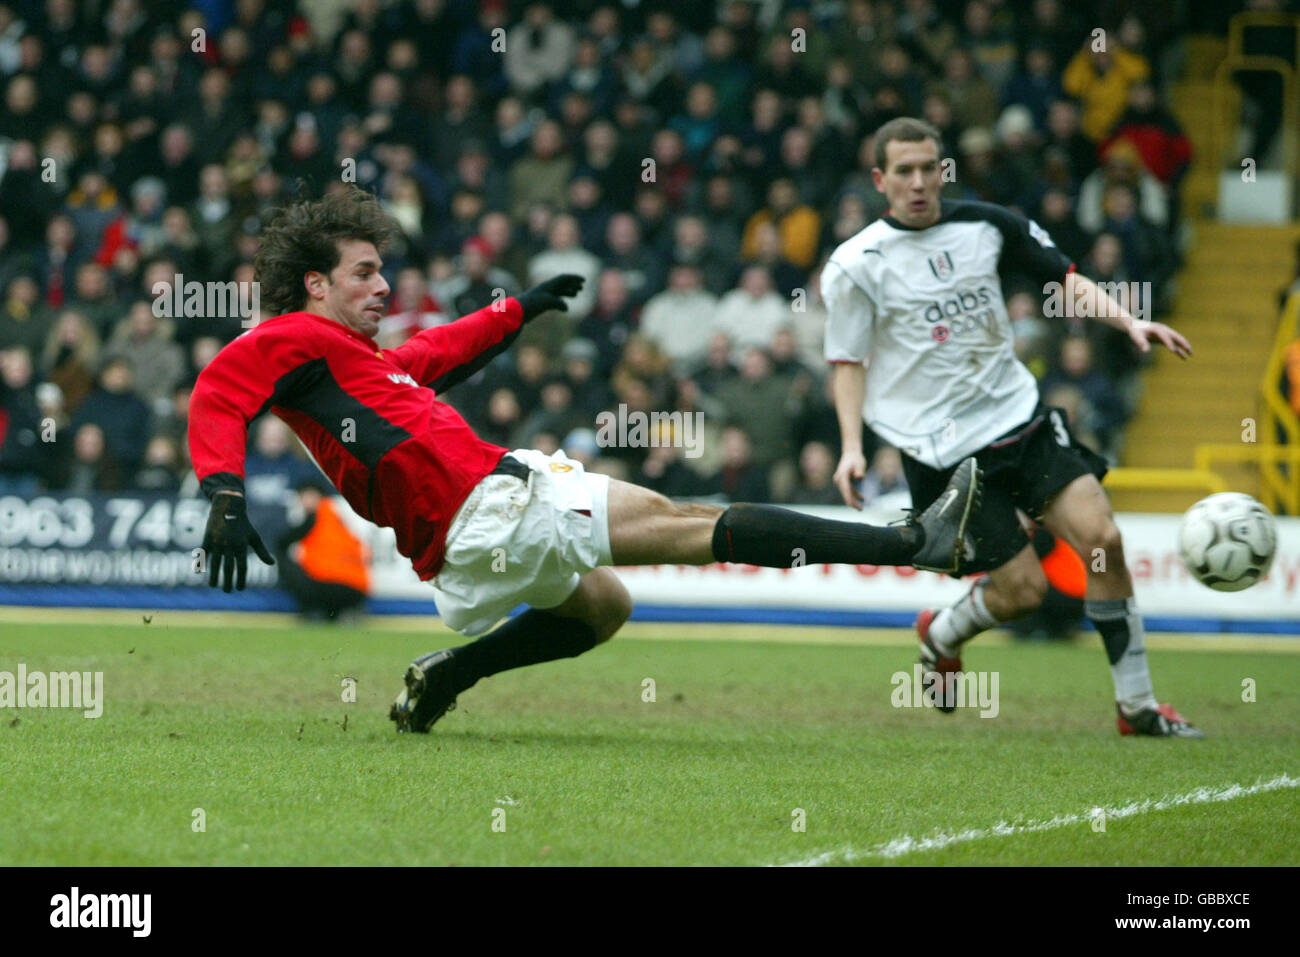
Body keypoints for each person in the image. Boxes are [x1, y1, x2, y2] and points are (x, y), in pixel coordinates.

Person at [188, 186, 983, 734]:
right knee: (686, 521)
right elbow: (218, 392)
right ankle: (914, 543)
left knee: (603, 606)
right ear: (316, 284)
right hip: (489, 508)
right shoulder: (294, 337)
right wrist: (225, 492)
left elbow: (434, 352)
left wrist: (517, 309)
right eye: (365, 273)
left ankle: (449, 675)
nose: (384, 285)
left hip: (469, 541)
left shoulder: (358, 364)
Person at [822, 117, 1201, 738]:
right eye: (904, 171)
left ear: (943, 169)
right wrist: (850, 447)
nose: (919, 182)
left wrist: (1128, 323)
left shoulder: (988, 226)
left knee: (1103, 539)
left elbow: (1065, 278)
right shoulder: (856, 264)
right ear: (879, 179)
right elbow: (847, 362)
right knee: (1023, 592)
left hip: (1017, 419)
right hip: (942, 453)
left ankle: (1137, 708)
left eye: (929, 168)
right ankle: (941, 632)